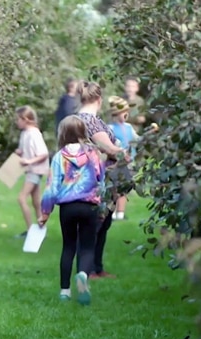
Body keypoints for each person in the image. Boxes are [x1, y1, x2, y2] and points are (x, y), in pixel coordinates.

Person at [39, 115, 105, 305]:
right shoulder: (94, 154)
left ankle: (65, 291)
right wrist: (103, 206)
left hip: (68, 207)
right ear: (83, 133)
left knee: (68, 246)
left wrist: (45, 212)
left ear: (63, 133)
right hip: (89, 205)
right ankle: (83, 274)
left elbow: (51, 187)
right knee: (86, 247)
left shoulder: (60, 156)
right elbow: (102, 182)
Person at [75, 80, 130, 279]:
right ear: (99, 100)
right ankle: (87, 270)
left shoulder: (75, 119)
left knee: (102, 224)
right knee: (94, 226)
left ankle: (96, 268)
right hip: (97, 181)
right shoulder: (90, 121)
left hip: (89, 180)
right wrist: (125, 153)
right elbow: (108, 148)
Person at [13, 106, 50, 239]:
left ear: (26, 119)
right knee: (36, 201)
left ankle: (30, 230)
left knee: (21, 198)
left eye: (18, 119)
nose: (17, 122)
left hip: (35, 170)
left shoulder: (34, 133)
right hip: (31, 170)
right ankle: (41, 229)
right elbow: (26, 149)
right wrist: (20, 153)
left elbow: (43, 154)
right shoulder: (25, 133)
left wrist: (29, 161)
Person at [107, 96, 138, 221]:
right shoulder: (110, 128)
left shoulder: (129, 127)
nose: (126, 115)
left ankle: (120, 212)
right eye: (123, 112)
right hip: (116, 162)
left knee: (124, 187)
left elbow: (136, 139)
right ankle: (113, 210)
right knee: (114, 187)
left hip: (129, 162)